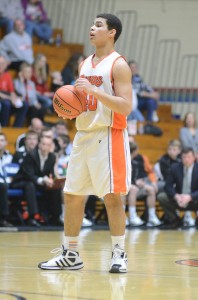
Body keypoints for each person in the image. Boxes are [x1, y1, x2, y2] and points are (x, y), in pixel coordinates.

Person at [38, 13, 132, 273]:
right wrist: (68, 109)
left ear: (112, 32)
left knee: (112, 197)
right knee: (72, 196)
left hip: (109, 134)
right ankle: (71, 254)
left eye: (99, 25)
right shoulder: (85, 63)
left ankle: (119, 254)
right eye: (92, 24)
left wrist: (95, 92)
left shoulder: (119, 65)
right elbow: (81, 102)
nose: (92, 28)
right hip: (83, 134)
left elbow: (126, 107)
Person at [11, 135, 63, 227]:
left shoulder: (52, 157)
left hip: (39, 183)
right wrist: (43, 180)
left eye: (48, 145)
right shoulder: (31, 155)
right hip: (22, 181)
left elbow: (50, 174)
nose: (45, 147)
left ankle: (55, 217)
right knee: (30, 185)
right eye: (43, 144)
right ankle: (32, 217)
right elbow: (29, 175)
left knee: (55, 188)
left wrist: (51, 180)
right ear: (39, 144)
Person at [158, 147, 198, 229]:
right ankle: (175, 220)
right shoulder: (175, 168)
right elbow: (167, 186)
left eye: (189, 157)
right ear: (181, 158)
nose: (186, 159)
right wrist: (176, 196)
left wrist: (190, 197)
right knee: (161, 197)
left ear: (194, 158)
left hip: (194, 199)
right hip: (179, 199)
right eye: (184, 157)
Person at [125, 141, 161, 227]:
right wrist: (134, 183)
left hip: (134, 186)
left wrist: (142, 183)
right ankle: (132, 216)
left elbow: (145, 173)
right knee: (133, 189)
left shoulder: (136, 162)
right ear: (134, 151)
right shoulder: (123, 161)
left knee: (151, 189)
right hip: (124, 188)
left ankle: (151, 217)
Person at [0, 55, 28, 127]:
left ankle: (17, 127)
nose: (1, 66)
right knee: (6, 104)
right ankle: (4, 126)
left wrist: (15, 99)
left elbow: (12, 91)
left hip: (7, 97)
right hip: (2, 99)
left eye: (3, 64)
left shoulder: (7, 75)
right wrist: (10, 98)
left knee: (24, 104)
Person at [0, 132, 13, 227]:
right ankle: (4, 217)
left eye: (2, 140)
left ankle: (3, 219)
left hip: (7, 182)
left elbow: (14, 171)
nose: (0, 143)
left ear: (6, 142)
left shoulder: (10, 156)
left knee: (4, 185)